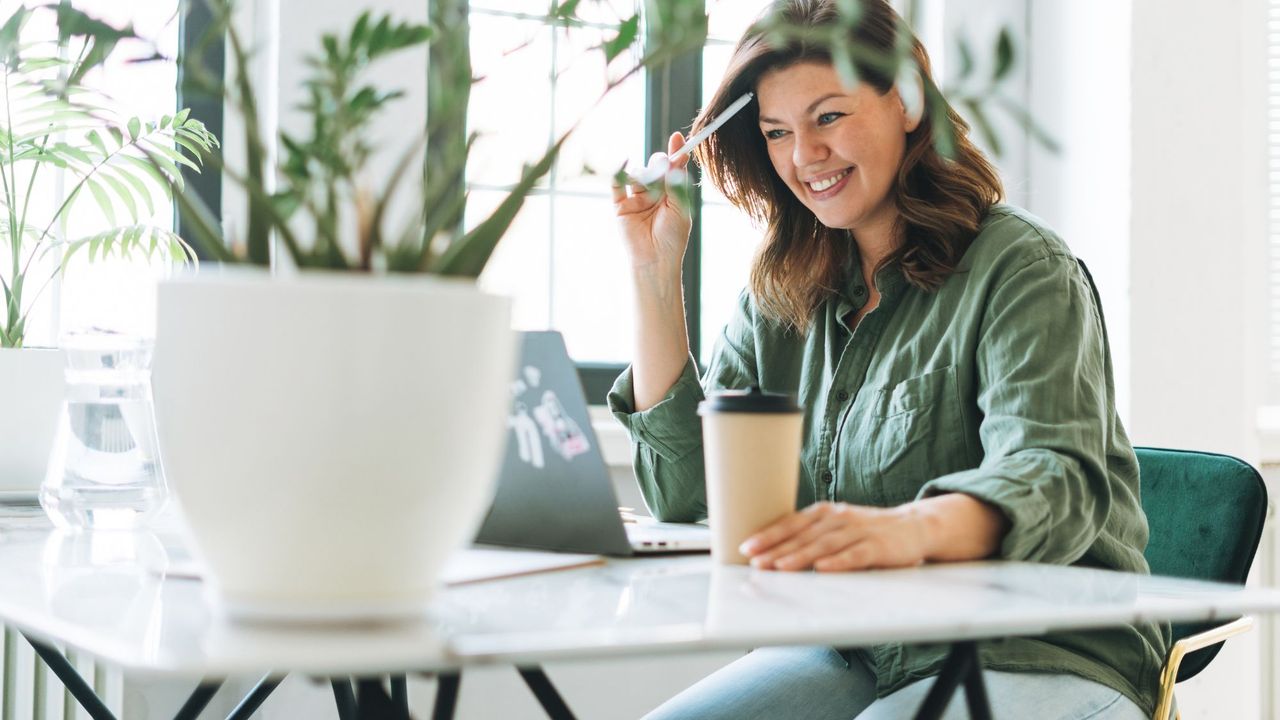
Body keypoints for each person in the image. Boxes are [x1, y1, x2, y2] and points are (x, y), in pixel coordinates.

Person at [606, 0, 1167, 718]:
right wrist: (655, 273)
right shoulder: (780, 292)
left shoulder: (1022, 267)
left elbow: (1055, 482)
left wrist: (903, 529)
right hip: (854, 645)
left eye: (828, 117)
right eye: (777, 132)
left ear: (904, 98)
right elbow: (691, 495)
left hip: (1037, 646)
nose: (804, 156)